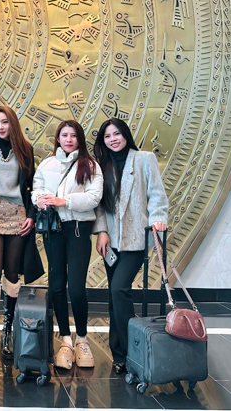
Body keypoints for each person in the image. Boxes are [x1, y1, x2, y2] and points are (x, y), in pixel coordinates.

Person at [93, 118, 168, 374]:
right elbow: (99, 204)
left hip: (136, 238)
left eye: (117, 134)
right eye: (107, 136)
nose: (113, 139)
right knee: (115, 298)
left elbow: (156, 194)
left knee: (119, 289)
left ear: (125, 134)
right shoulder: (101, 165)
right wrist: (101, 232)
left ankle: (132, 352)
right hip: (110, 241)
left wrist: (158, 218)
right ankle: (120, 355)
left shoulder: (144, 159)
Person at [32, 120, 103, 370]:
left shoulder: (91, 165)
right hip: (53, 230)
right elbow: (36, 190)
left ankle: (82, 339)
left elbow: (95, 197)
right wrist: (40, 200)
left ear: (79, 139)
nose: (69, 139)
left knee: (76, 287)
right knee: (56, 286)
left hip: (78, 229)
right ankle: (65, 341)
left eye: (73, 135)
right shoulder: (47, 164)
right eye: (64, 135)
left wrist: (65, 201)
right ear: (58, 138)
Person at [0, 105, 44, 366]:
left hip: (17, 215)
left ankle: (7, 331)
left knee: (13, 274)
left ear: (12, 123)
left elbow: (32, 186)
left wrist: (31, 216)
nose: (0, 127)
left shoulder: (25, 149)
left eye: (4, 122)